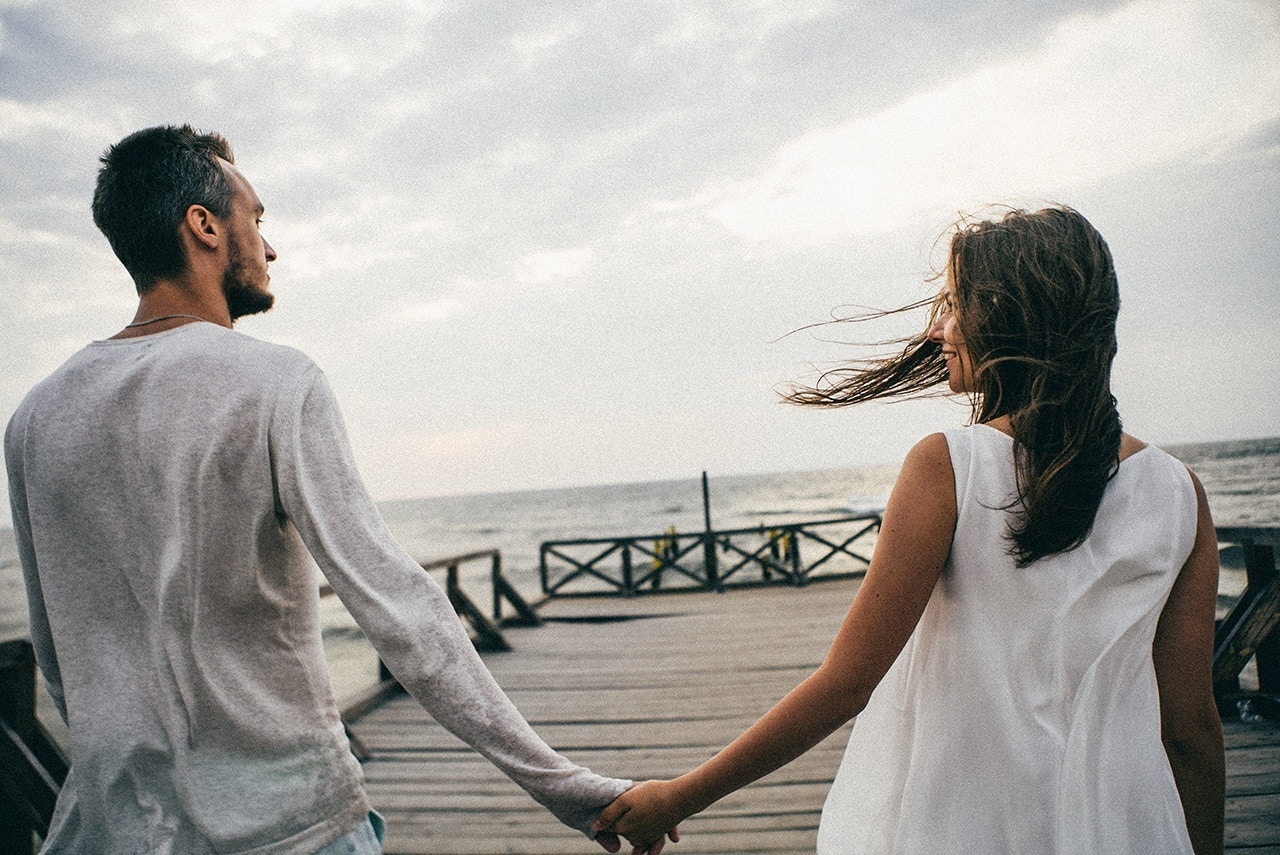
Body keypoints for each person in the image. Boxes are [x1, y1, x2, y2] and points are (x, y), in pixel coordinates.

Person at [5, 124, 645, 854]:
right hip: (289, 828)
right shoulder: (275, 383)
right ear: (204, 226)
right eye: (257, 219)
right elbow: (401, 609)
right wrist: (566, 785)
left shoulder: (35, 417)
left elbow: (58, 659)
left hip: (112, 832)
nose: (270, 248)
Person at [596, 206, 1226, 854]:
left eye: (953, 306)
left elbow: (846, 683)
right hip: (1122, 830)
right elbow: (1192, 729)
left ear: (1006, 312)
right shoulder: (1180, 494)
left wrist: (679, 794)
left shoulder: (949, 465)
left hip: (965, 827)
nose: (938, 329)